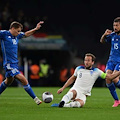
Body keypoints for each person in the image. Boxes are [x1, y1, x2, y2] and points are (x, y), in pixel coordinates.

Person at [51, 53, 120, 108]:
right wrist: (63, 88)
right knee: (72, 92)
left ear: (92, 62)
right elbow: (72, 78)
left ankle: (65, 105)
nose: (86, 62)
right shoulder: (79, 68)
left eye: (88, 60)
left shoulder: (97, 71)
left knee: (80, 104)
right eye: (85, 60)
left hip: (84, 94)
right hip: (76, 90)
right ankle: (62, 102)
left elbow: (110, 77)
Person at [0, 21, 44, 105]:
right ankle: (36, 99)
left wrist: (36, 28)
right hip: (9, 64)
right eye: (18, 31)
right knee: (24, 80)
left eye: (19, 31)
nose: (19, 33)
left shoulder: (17, 36)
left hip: (15, 64)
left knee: (8, 81)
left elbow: (26, 34)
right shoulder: (4, 34)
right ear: (12, 28)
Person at [100, 17, 120, 107]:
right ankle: (117, 100)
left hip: (119, 62)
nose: (115, 27)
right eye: (114, 25)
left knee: (114, 79)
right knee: (108, 79)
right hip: (111, 61)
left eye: (117, 25)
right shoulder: (112, 35)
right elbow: (102, 41)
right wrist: (104, 35)